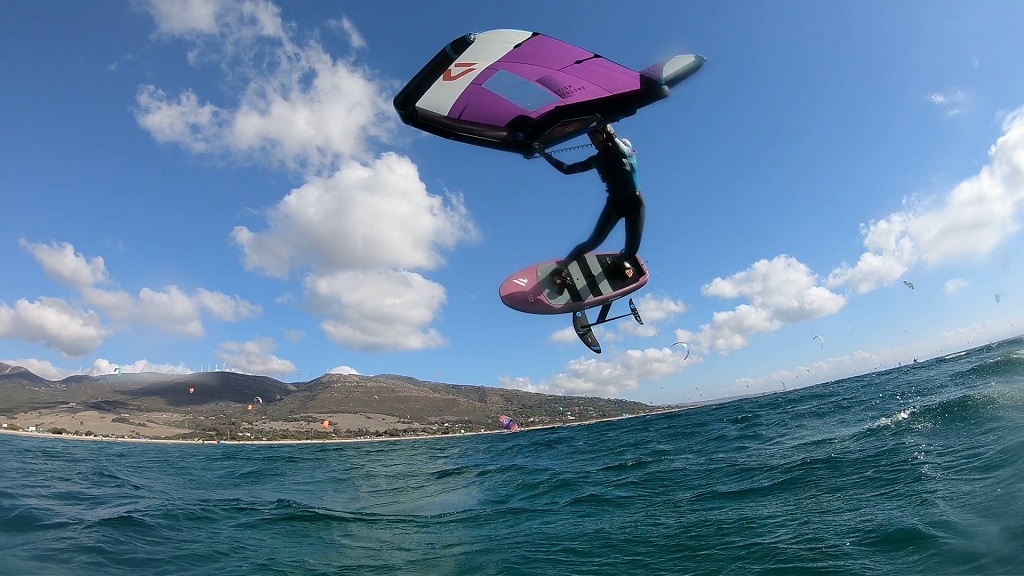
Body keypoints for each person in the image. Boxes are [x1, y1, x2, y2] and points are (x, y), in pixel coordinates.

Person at [536, 123, 645, 286]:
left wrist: (608, 130)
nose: (593, 141)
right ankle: (563, 268)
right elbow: (567, 169)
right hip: (614, 205)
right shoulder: (597, 160)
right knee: (593, 241)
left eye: (595, 137)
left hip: (635, 205)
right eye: (590, 138)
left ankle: (621, 260)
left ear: (605, 136)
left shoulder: (626, 153)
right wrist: (545, 155)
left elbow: (620, 147)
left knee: (631, 252)